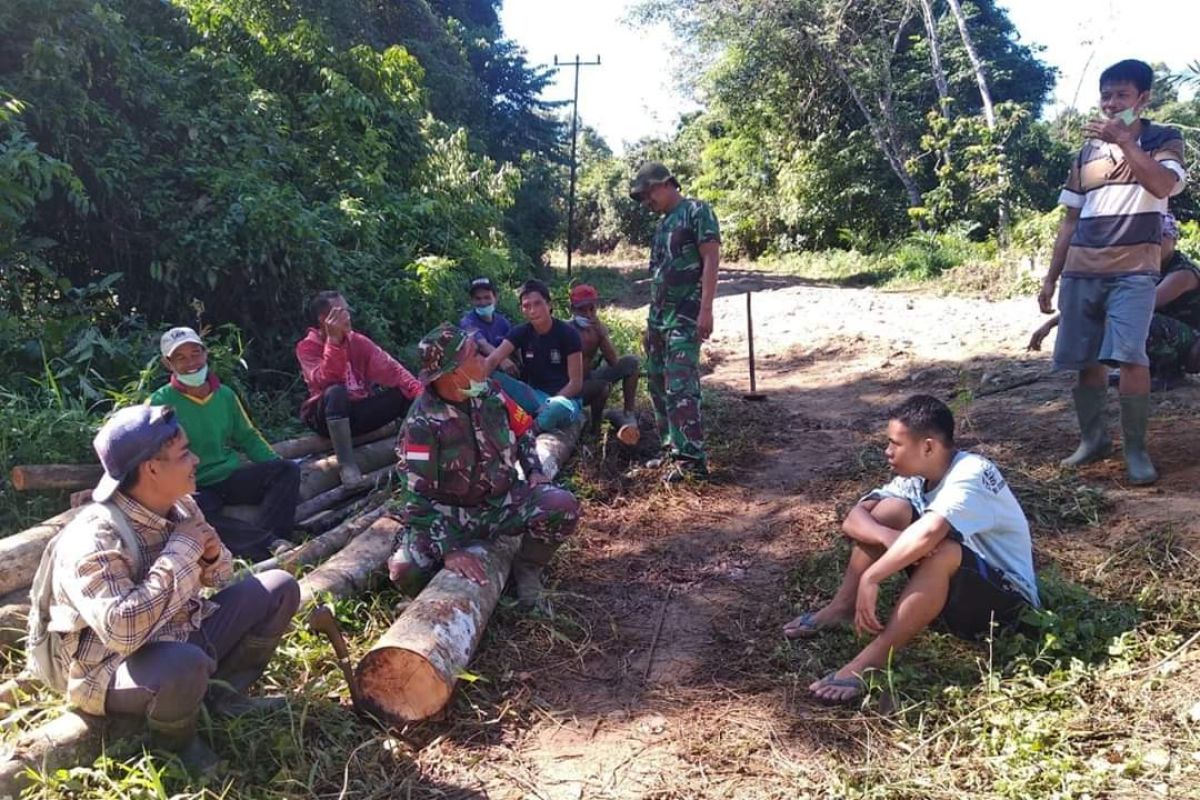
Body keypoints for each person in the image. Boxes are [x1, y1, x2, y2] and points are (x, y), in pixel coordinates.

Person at [34, 405, 300, 772]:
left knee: (278, 588)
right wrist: (182, 550)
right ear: (152, 469)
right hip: (112, 668)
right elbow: (123, 632)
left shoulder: (181, 505)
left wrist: (208, 558)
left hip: (180, 631)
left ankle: (224, 695)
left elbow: (222, 575)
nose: (196, 459)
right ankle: (176, 743)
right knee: (181, 665)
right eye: (184, 453)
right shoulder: (94, 537)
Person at [783, 396, 1039, 705]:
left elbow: (930, 532)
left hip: (1008, 609)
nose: (887, 451)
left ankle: (870, 662)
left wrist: (873, 577)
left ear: (928, 447)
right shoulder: (917, 478)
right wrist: (888, 537)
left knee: (941, 548)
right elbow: (853, 519)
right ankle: (843, 608)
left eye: (895, 444)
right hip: (958, 595)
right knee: (891, 510)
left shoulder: (971, 473)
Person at [1037, 59, 1188, 485]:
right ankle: (1093, 440)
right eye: (1106, 95)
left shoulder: (1163, 139)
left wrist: (1125, 142)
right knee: (1087, 358)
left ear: (1143, 98)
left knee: (1131, 356)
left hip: (1134, 272)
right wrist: (1052, 276)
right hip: (1083, 270)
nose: (1111, 103)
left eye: (1121, 94)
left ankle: (1136, 451)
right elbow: (1070, 221)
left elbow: (1162, 186)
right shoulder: (1085, 154)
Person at [386, 324, 580, 610]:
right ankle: (431, 602)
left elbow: (523, 430)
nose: (483, 360)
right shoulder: (421, 424)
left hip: (503, 501)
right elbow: (415, 494)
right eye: (475, 355)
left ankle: (527, 568)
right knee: (404, 570)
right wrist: (450, 550)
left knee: (562, 506)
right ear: (453, 372)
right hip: (450, 515)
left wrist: (535, 470)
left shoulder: (491, 392)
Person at [150, 327, 300, 561]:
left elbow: (248, 437)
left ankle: (277, 543)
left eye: (195, 353)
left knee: (287, 471)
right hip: (192, 485)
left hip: (228, 476)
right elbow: (151, 452)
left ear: (205, 354)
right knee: (191, 517)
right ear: (168, 363)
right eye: (180, 357)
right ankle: (269, 545)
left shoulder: (225, 395)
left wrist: (274, 464)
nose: (191, 363)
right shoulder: (160, 402)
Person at [629, 161, 720, 483]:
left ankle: (692, 460)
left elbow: (710, 259)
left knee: (681, 386)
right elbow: (657, 275)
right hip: (659, 320)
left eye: (647, 194)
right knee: (656, 382)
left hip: (685, 316)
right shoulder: (662, 224)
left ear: (664, 184)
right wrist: (650, 322)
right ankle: (672, 449)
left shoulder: (697, 211)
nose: (646, 202)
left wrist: (705, 309)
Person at [1029, 214, 1200, 386]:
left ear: (1173, 240)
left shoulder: (1182, 273)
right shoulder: (1143, 267)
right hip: (1173, 335)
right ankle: (1146, 370)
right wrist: (1054, 323)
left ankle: (1169, 373)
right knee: (1115, 320)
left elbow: (1139, 305)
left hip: (1193, 341)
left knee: (1133, 319)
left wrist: (1053, 323)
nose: (1154, 244)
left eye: (1160, 237)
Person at [296, 291, 423, 485]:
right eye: (341, 312)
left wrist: (421, 394)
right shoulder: (307, 347)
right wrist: (334, 342)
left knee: (404, 393)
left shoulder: (358, 342)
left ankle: (418, 458)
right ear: (324, 319)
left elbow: (393, 369)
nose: (347, 317)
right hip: (326, 414)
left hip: (357, 410)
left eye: (347, 311)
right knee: (336, 391)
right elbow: (326, 380)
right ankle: (347, 466)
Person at [483, 279, 584, 435]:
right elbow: (493, 359)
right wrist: (473, 381)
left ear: (549, 305)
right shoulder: (521, 332)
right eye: (526, 306)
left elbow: (576, 383)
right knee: (493, 378)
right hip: (534, 395)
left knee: (555, 409)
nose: (532, 310)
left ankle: (529, 431)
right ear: (522, 310)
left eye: (537, 304)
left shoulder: (568, 334)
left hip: (566, 400)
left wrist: (551, 402)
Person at [569, 284, 641, 443]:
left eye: (591, 309)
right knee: (602, 388)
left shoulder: (596, 329)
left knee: (632, 363)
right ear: (573, 310)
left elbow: (614, 361)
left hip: (590, 376)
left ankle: (628, 413)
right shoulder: (567, 331)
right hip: (573, 386)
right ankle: (595, 429)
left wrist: (602, 336)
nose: (588, 314)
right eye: (582, 310)